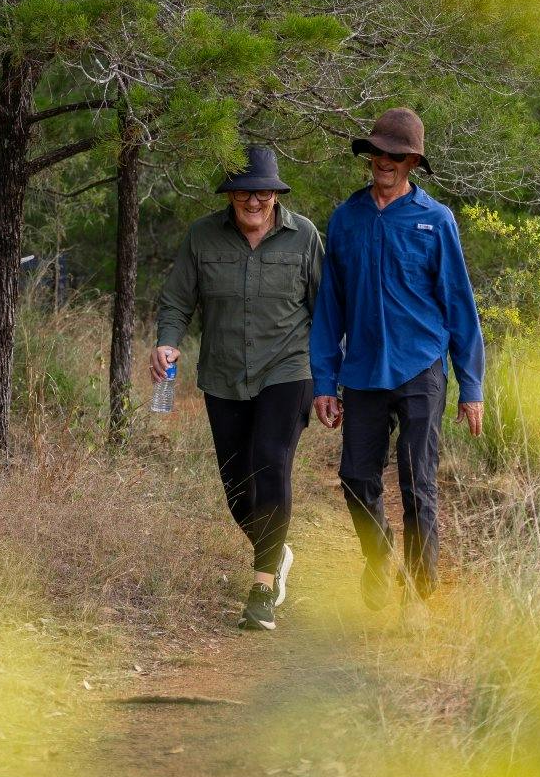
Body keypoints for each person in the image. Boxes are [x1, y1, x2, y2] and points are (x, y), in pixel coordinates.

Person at [310, 107, 485, 609]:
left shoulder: (436, 221)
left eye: (396, 155)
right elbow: (331, 306)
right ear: (369, 156)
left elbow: (459, 306)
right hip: (362, 369)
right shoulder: (346, 219)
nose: (384, 162)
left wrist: (470, 387)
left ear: (412, 162)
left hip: (421, 366)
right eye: (378, 152)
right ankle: (379, 552)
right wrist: (324, 380)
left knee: (418, 482)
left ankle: (421, 596)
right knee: (356, 477)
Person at [153, 145, 324, 631]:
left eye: (263, 191)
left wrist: (335, 379)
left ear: (276, 193)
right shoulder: (202, 237)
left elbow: (328, 310)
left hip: (289, 369)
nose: (254, 200)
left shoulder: (304, 236)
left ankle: (262, 588)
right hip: (224, 373)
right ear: (230, 195)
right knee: (235, 486)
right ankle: (277, 548)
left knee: (271, 461)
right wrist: (167, 344)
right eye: (244, 191)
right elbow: (176, 302)